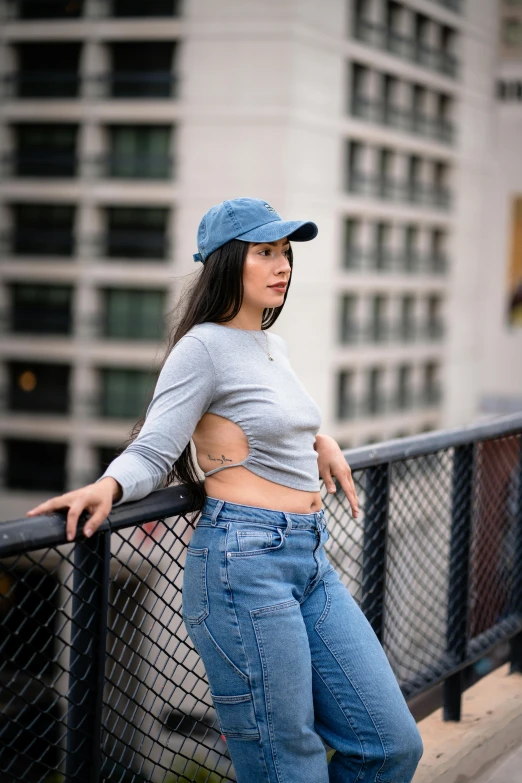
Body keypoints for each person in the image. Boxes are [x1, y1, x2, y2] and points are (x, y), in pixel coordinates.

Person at [26, 198, 424, 782]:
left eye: (285, 253)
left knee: (389, 743)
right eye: (265, 253)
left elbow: (268, 420)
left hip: (309, 557)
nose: (282, 265)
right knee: (291, 766)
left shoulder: (272, 346)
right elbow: (157, 447)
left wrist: (321, 440)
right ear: (226, 263)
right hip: (245, 564)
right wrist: (108, 485)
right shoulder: (202, 347)